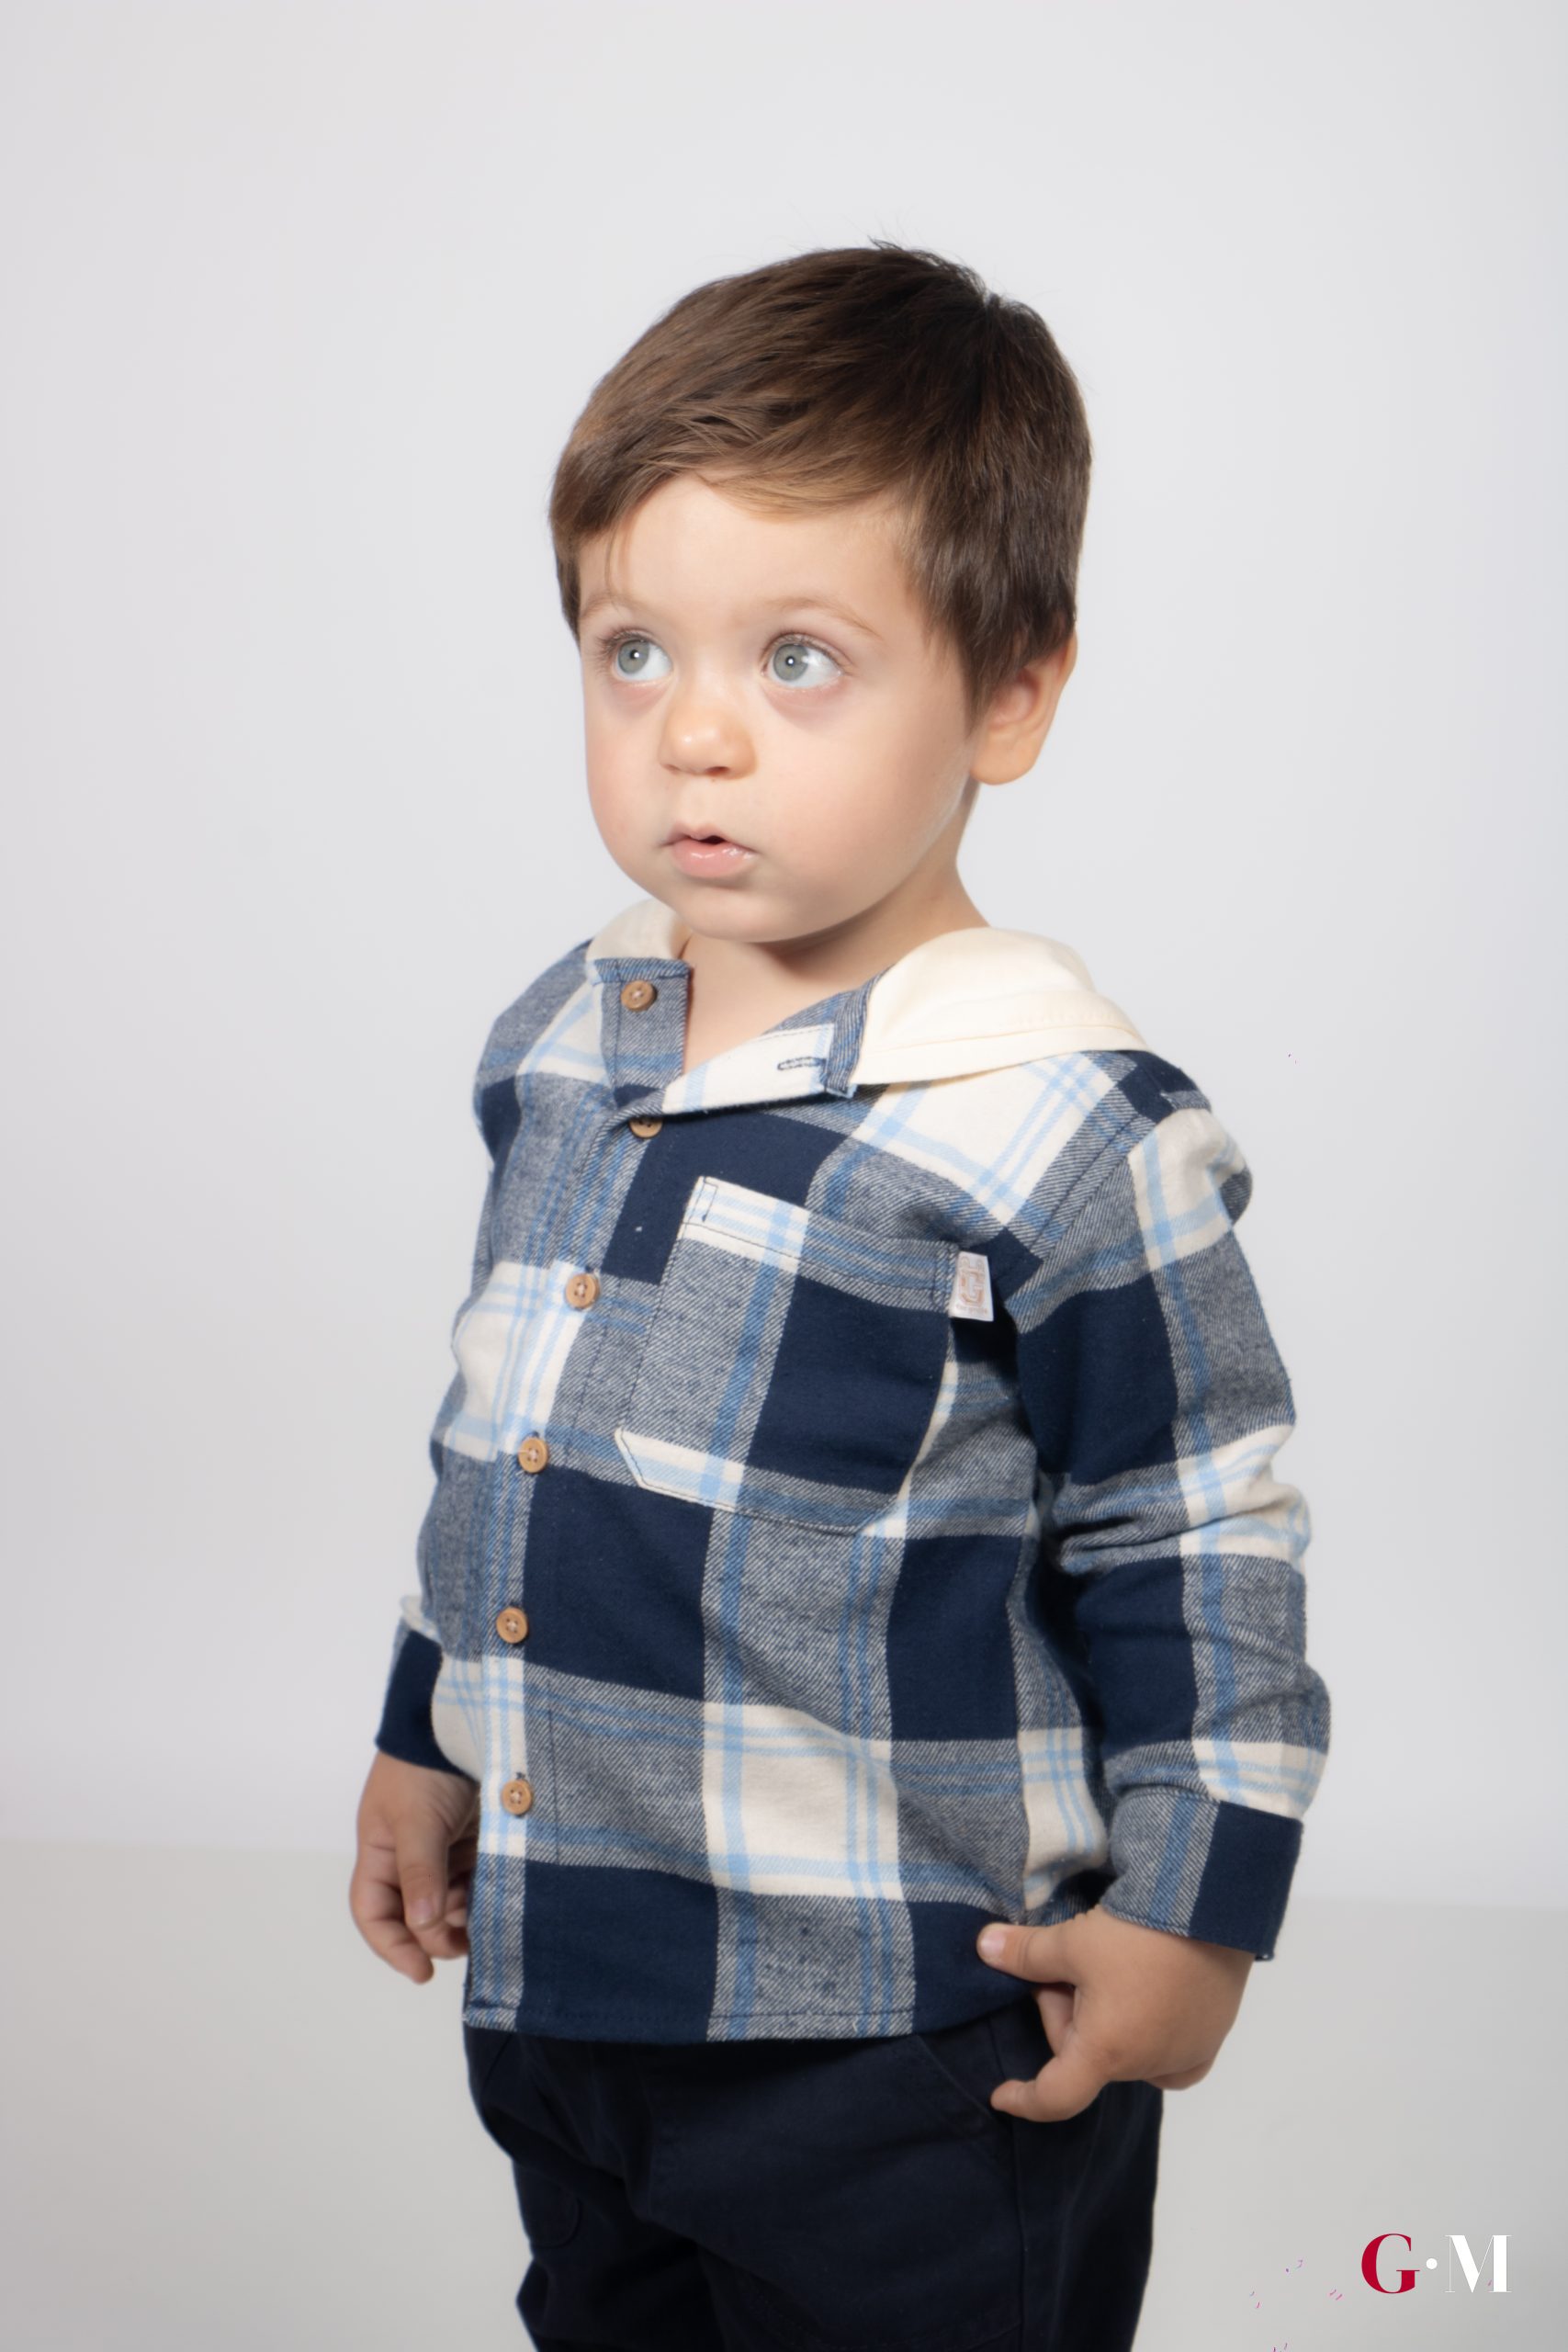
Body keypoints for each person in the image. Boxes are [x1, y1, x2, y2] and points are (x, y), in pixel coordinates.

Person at [348, 241, 1331, 2352]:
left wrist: (1192, 1905)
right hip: (572, 1978)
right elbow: (510, 1436)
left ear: (1006, 693)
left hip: (900, 2033)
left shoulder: (1055, 1124)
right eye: (630, 650)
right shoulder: (566, 1035)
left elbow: (1188, 1533)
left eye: (796, 659)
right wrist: (419, 1733)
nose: (692, 732)